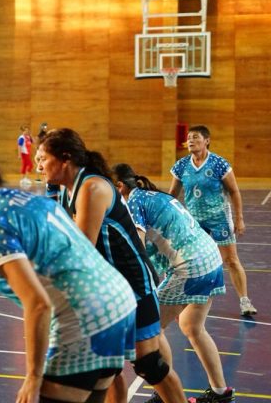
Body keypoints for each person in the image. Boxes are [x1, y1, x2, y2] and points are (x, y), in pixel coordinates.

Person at [0, 142, 137, 403]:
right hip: (119, 303)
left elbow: (38, 305)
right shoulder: (31, 200)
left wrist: (34, 376)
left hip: (85, 316)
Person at [40, 128, 185, 403]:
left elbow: (79, 248)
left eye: (43, 158)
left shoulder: (92, 187)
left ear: (65, 159)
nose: (38, 164)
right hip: (108, 289)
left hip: (133, 284)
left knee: (149, 364)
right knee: (108, 369)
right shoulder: (70, 188)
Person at [112, 164, 234, 403]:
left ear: (119, 186)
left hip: (191, 266)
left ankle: (164, 391)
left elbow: (137, 248)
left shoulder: (133, 202)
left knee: (151, 328)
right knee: (191, 326)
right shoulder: (152, 195)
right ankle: (220, 393)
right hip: (210, 258)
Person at [169, 125, 256, 317]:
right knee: (189, 261)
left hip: (220, 219)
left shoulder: (219, 164)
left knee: (231, 260)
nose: (191, 141)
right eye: (189, 138)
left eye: (196, 137)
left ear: (207, 140)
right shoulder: (181, 165)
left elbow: (234, 191)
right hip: (194, 222)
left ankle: (245, 301)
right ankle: (185, 301)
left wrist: (239, 218)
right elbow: (172, 195)